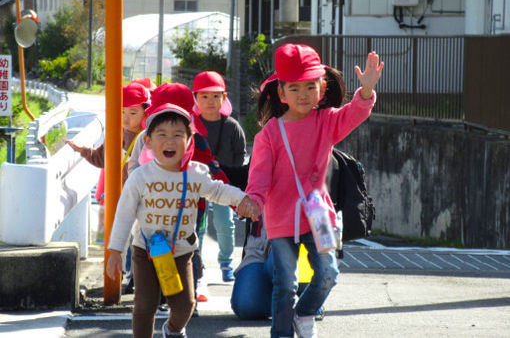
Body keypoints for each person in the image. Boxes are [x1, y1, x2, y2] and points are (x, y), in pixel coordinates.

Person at [245, 43, 383, 338]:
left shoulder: (326, 121)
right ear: (281, 93)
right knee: (285, 284)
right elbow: (258, 175)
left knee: (329, 274)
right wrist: (254, 199)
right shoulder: (269, 133)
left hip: (320, 214)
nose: (303, 94)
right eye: (294, 88)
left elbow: (354, 113)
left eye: (310, 86)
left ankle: (304, 314)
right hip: (280, 218)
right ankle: (281, 333)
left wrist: (367, 91)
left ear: (321, 88)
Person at [106, 103, 259, 338]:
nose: (170, 141)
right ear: (148, 142)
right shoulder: (139, 177)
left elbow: (218, 191)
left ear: (190, 141)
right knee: (145, 306)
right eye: (162, 135)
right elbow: (124, 214)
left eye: (179, 135)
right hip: (145, 249)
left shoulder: (196, 173)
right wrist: (116, 250)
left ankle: (173, 330)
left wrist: (243, 199)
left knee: (186, 304)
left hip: (182, 250)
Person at [127, 82, 231, 311]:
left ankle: (186, 295)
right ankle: (170, 295)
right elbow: (134, 167)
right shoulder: (147, 137)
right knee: (165, 248)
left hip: (188, 206)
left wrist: (231, 193)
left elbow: (209, 170)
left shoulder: (193, 137)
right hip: (160, 207)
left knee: (187, 249)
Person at [66, 82, 150, 293]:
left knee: (142, 238)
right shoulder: (117, 133)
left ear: (145, 111)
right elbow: (101, 158)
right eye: (121, 111)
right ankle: (132, 277)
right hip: (124, 196)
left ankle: (141, 278)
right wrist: (83, 151)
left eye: (133, 112)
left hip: (148, 197)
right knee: (129, 238)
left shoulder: (152, 135)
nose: (126, 117)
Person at [192, 70, 247, 282]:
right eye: (204, 96)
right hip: (196, 184)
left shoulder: (232, 126)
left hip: (223, 182)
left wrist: (227, 172)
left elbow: (240, 155)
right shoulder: (190, 125)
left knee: (225, 223)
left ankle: (226, 263)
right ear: (195, 98)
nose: (210, 101)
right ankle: (197, 265)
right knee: (198, 225)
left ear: (224, 98)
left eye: (216, 96)